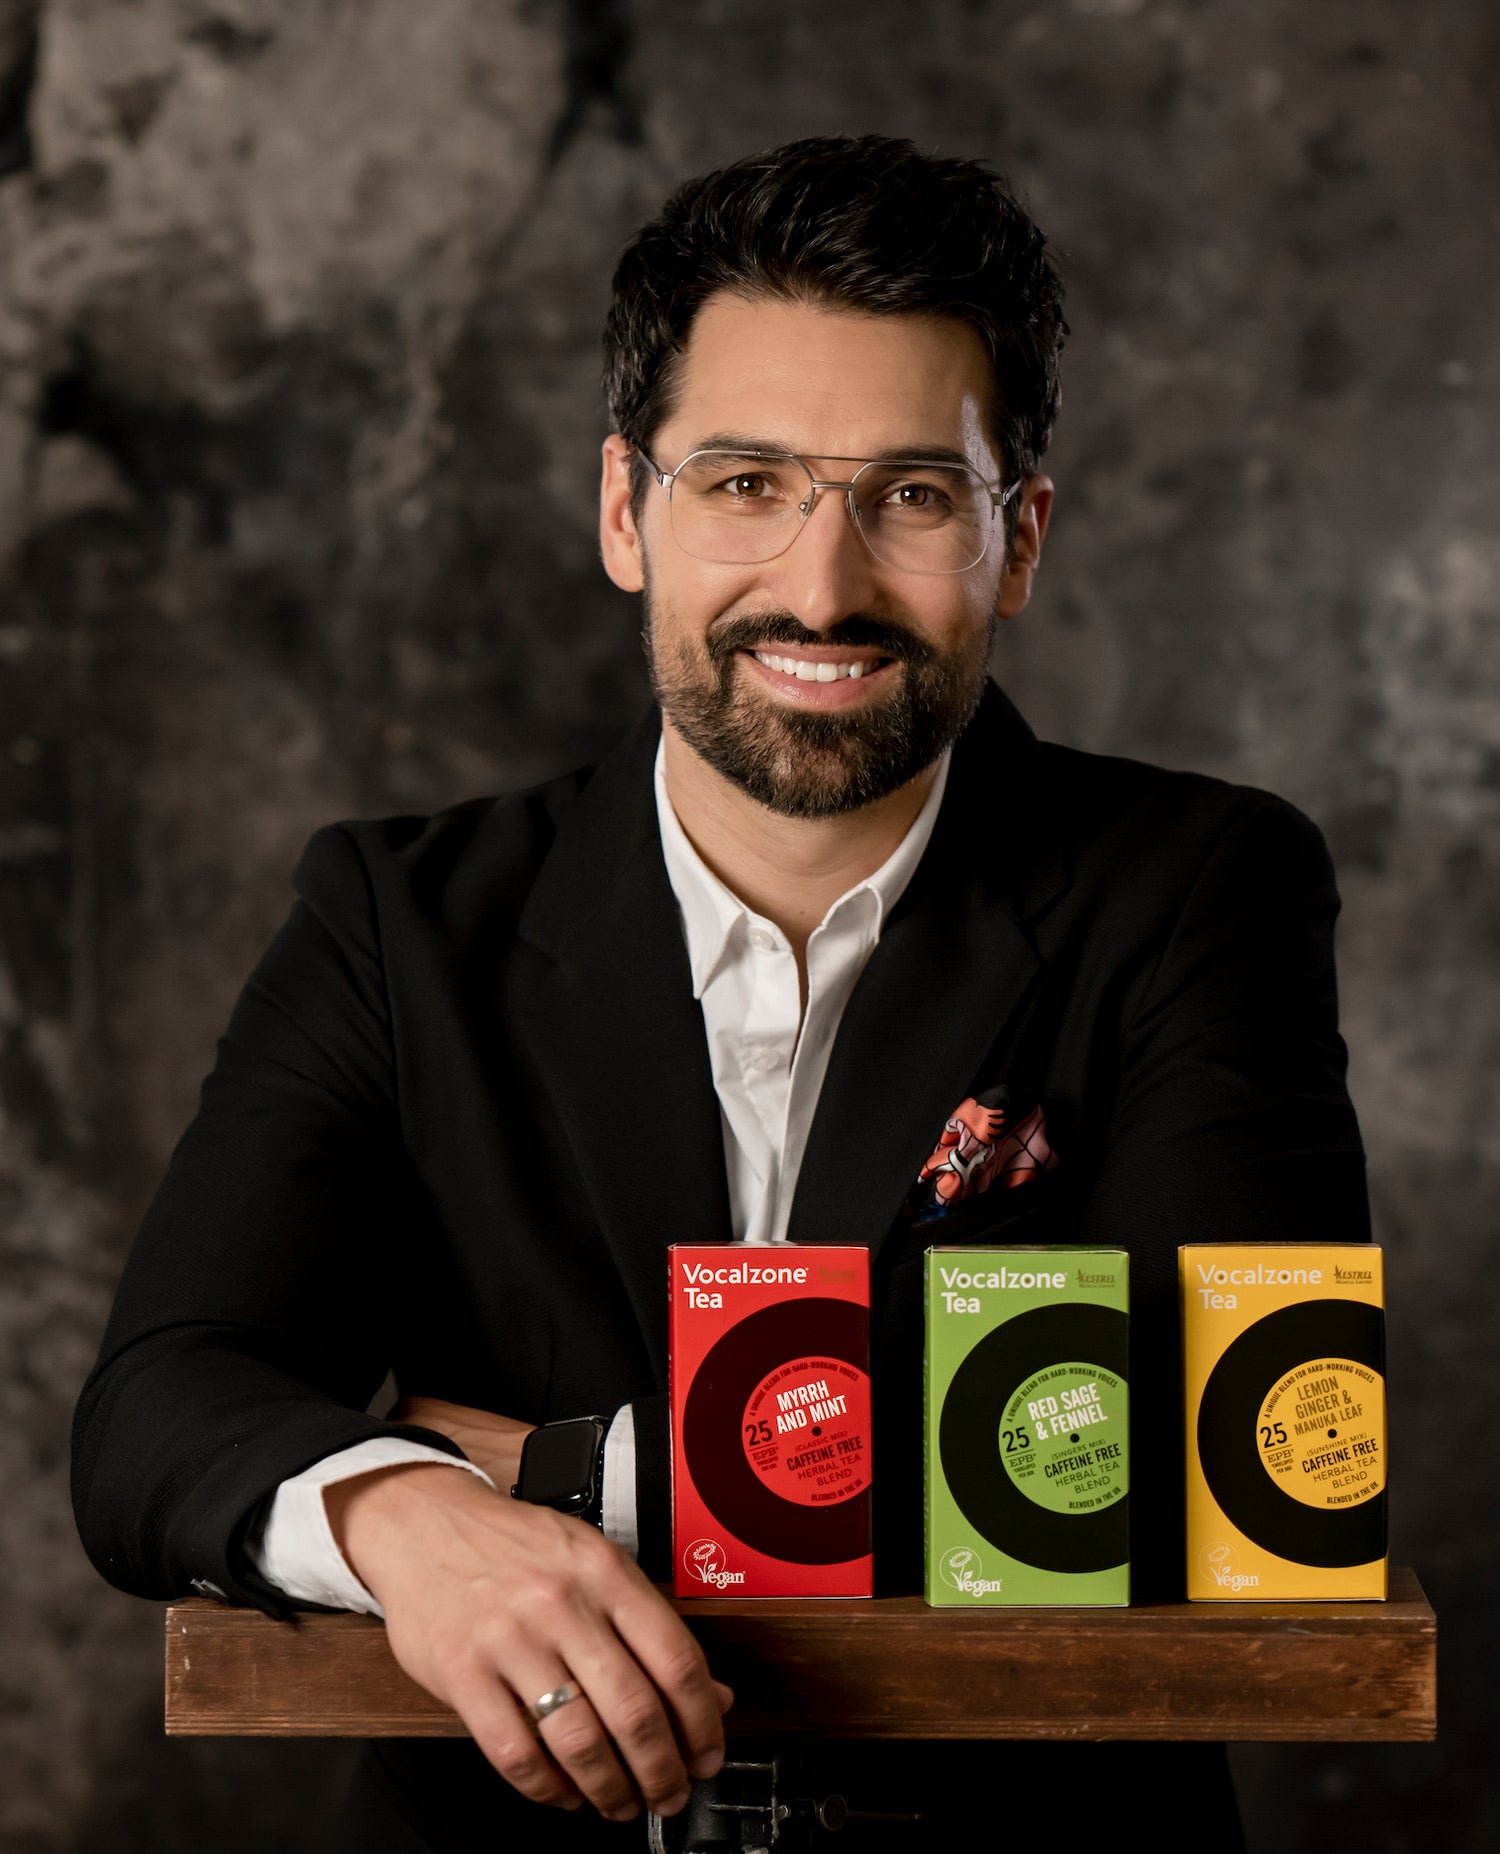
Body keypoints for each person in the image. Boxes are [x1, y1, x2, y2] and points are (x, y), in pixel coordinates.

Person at [72, 135, 1370, 1851]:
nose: (821, 587)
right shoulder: (398, 918)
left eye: (914, 495)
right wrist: (407, 1515)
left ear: (1021, 539)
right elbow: (160, 1409)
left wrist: (554, 1482)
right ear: (628, 511)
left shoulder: (1203, 887)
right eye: (747, 481)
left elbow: (1243, 1445)